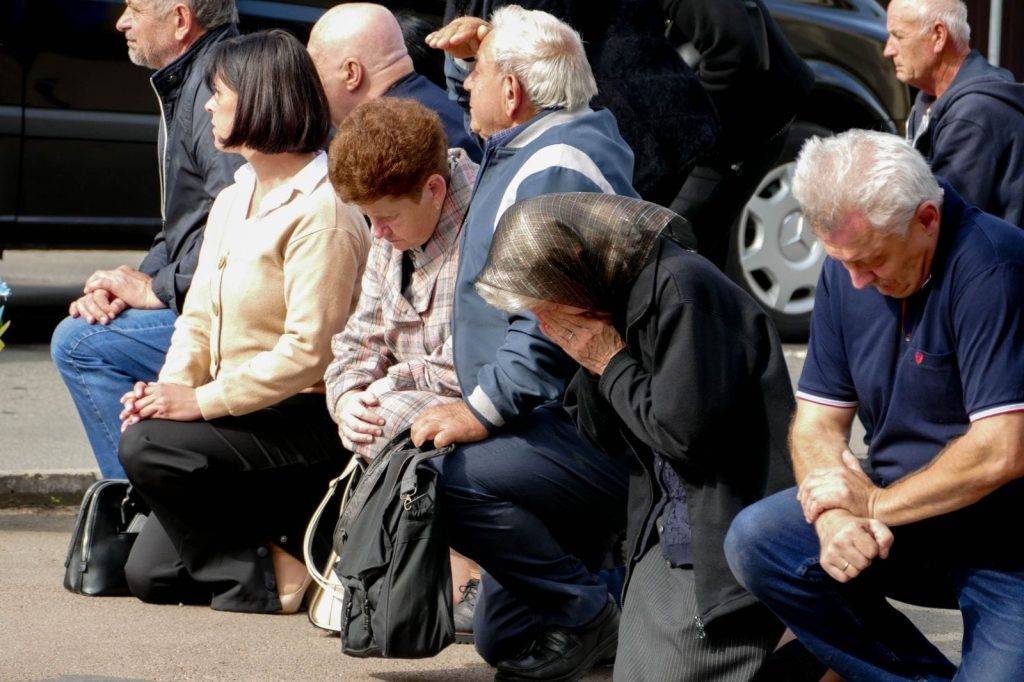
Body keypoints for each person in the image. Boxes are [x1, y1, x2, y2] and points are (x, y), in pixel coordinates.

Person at [725, 130, 1024, 679]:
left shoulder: (995, 268)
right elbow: (817, 421)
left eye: (873, 261)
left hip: (1005, 540)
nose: (858, 280)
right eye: (845, 263)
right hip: (901, 519)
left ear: (927, 220)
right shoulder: (848, 270)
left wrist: (873, 508)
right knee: (757, 541)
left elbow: (1002, 451)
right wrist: (834, 517)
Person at [474, 193, 797, 680]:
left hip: (721, 513)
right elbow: (601, 435)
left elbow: (686, 436)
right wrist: (592, 362)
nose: (544, 322)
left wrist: (609, 361)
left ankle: (809, 651)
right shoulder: (611, 296)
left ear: (573, 269)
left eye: (546, 303)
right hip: (667, 515)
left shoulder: (683, 289)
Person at [414, 8, 636, 679]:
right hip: (550, 426)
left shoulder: (558, 166)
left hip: (584, 435)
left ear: (512, 91)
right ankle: (612, 601)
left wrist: (478, 412)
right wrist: (469, 59)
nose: (463, 87)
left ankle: (594, 611)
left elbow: (547, 324)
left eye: (477, 75)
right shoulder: (544, 140)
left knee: (443, 479)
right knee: (504, 642)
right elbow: (492, 117)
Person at [116, 30, 370, 614]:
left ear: (261, 100)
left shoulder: (323, 209)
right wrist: (171, 389)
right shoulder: (236, 194)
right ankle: (273, 544)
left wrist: (199, 404)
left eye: (219, 94)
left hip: (301, 418)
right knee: (148, 575)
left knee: (147, 446)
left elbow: (311, 351)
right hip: (239, 411)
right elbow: (199, 315)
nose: (207, 105)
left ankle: (262, 575)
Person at [50, 0, 244, 479]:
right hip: (210, 299)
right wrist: (123, 284)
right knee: (88, 328)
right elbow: (182, 225)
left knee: (79, 343)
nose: (121, 22)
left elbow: (239, 232)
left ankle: (143, 506)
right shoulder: (193, 78)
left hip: (237, 316)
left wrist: (157, 289)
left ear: (180, 20)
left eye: (135, 9)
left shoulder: (218, 87)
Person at [322, 96, 481, 640]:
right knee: (376, 417)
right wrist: (346, 399)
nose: (376, 234)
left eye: (384, 218)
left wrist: (384, 390)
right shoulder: (394, 227)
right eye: (367, 219)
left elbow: (474, 363)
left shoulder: (486, 227)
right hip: (407, 406)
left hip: (477, 409)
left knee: (395, 421)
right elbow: (357, 339)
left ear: (434, 190)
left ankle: (465, 574)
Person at [434, 0, 718, 206]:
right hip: (604, 163)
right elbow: (468, 93)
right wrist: (468, 59)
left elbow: (732, 41)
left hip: (665, 152)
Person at [664, 0, 814, 269]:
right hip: (716, 126)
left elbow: (733, 49)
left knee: (669, 251)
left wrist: (681, 130)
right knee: (690, 258)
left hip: (736, 129)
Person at [886, 0, 1024, 226]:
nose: (888, 50)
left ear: (938, 36)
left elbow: (937, 221)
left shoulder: (975, 113)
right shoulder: (931, 98)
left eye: (898, 36)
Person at [307, 3, 481, 162]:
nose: (310, 88)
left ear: (351, 73)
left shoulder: (386, 142)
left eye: (315, 73)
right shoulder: (458, 112)